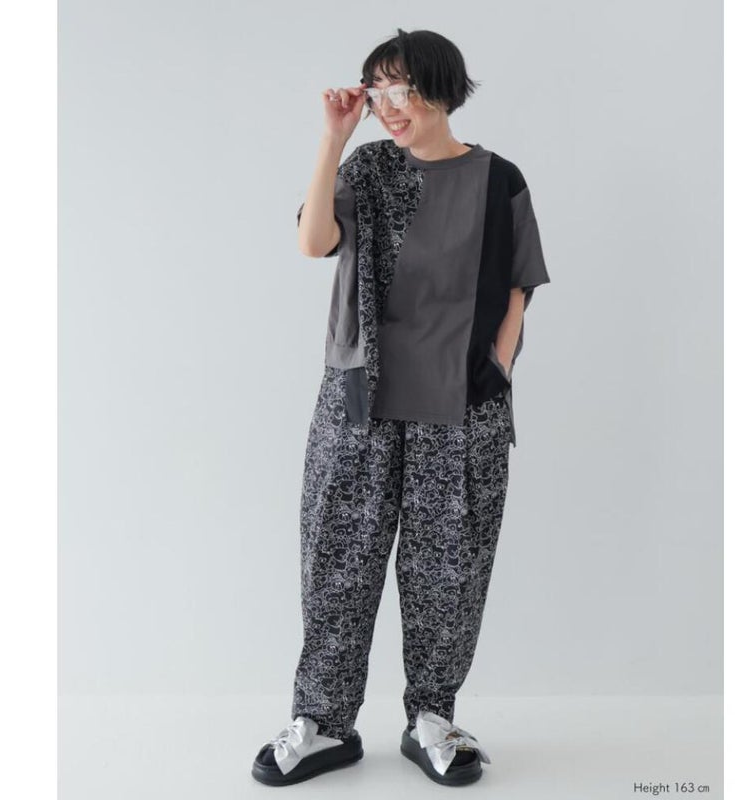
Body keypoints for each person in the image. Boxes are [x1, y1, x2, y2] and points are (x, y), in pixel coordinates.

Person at [252, 28, 550, 788]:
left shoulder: (499, 179)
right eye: (378, 90)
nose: (389, 106)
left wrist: (498, 366)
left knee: (449, 574)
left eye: (402, 89)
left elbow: (520, 284)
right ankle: (323, 722)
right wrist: (334, 138)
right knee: (337, 563)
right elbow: (313, 242)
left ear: (442, 89)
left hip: (462, 410)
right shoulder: (371, 167)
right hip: (360, 404)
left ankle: (432, 719)